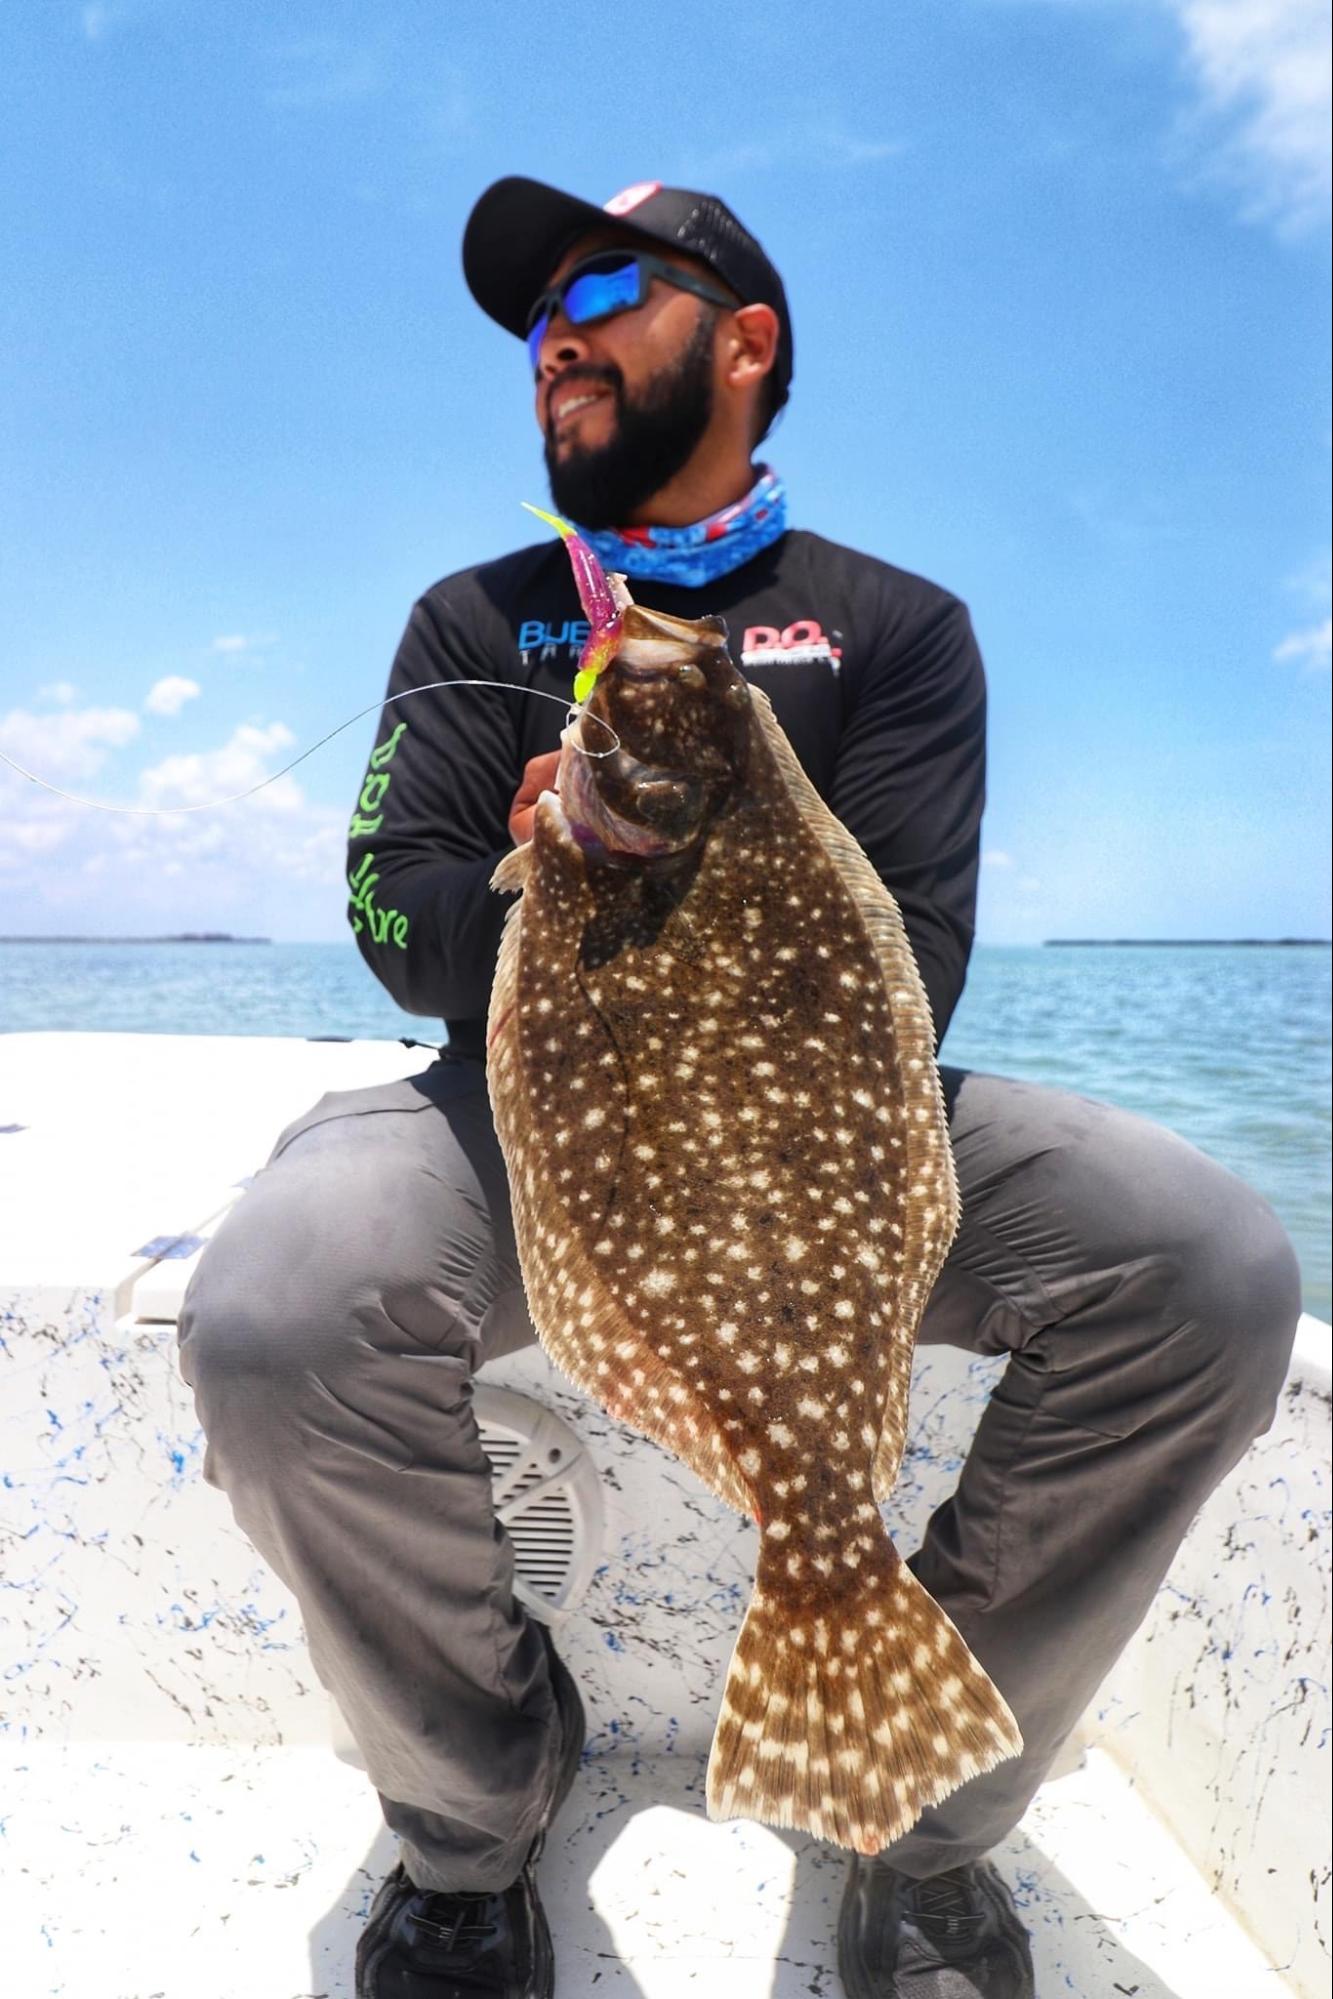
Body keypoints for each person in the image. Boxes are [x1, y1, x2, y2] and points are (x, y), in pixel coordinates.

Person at [177, 176, 1302, 1999]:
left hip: (837, 1153)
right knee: (274, 1313)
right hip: (521, 1126)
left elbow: (918, 954)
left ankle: (923, 1826)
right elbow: (391, 908)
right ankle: (475, 1816)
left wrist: (678, 874)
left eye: (601, 289)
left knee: (1210, 1268)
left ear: (744, 340)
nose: (554, 334)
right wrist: (555, 874)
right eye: (529, 317)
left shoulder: (900, 626)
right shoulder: (473, 613)